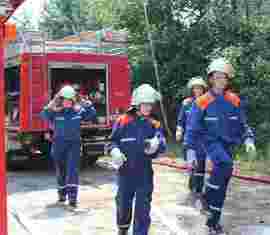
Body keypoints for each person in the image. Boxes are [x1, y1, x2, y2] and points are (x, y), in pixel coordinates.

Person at [184, 58, 256, 234]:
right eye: (217, 77)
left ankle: (213, 221)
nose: (220, 80)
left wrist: (248, 140)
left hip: (228, 145)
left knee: (222, 185)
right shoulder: (201, 101)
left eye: (223, 77)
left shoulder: (234, 100)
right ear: (211, 79)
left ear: (227, 79)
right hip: (209, 144)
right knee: (225, 165)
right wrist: (190, 151)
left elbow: (243, 124)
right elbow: (192, 128)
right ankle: (206, 197)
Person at [110, 84, 167, 235]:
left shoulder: (154, 123)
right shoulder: (123, 121)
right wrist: (114, 150)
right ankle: (122, 229)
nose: (148, 108)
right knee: (123, 203)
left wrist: (157, 145)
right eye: (145, 104)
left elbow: (162, 143)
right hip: (125, 172)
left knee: (143, 208)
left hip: (144, 173)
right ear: (137, 103)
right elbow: (112, 141)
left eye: (150, 104)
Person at [40, 85, 96, 209]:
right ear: (61, 100)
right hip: (58, 145)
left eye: (69, 100)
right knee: (61, 171)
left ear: (72, 101)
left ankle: (72, 198)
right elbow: (43, 114)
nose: (67, 102)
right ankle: (61, 194)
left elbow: (91, 114)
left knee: (72, 171)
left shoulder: (78, 111)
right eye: (64, 100)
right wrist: (53, 101)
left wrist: (84, 101)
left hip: (74, 145)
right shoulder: (55, 112)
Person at [176, 77, 208, 201]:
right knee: (191, 164)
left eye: (199, 88)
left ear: (203, 89)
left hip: (202, 139)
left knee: (200, 165)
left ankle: (199, 190)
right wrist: (179, 130)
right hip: (189, 140)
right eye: (195, 88)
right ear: (192, 90)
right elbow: (181, 120)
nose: (197, 90)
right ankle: (192, 182)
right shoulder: (187, 103)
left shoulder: (207, 102)